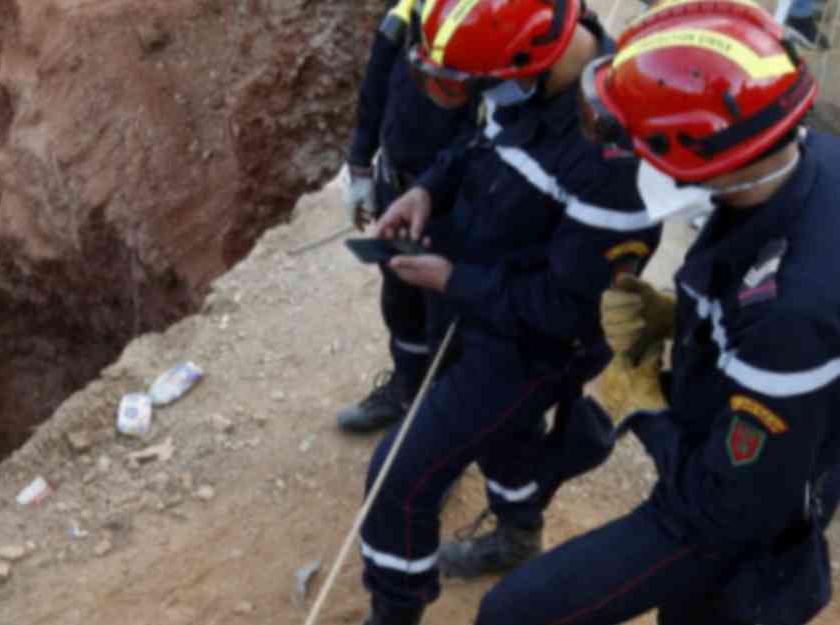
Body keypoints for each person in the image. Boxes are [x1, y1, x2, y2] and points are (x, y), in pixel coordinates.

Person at [473, 3, 840, 625]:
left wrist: (644, 404)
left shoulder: (791, 315)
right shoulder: (809, 160)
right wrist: (685, 318)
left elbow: (728, 506)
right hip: (763, 434)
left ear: (708, 157)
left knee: (514, 614)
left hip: (737, 517)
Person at [355, 1, 662, 623]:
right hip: (481, 304)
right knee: (507, 439)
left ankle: (394, 613)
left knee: (399, 477)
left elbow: (566, 311)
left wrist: (453, 280)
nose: (475, 95)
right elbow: (477, 145)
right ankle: (518, 534)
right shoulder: (525, 80)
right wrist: (427, 190)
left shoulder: (612, 158)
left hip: (532, 345)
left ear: (525, 62)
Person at [337, 0, 478, 433]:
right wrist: (360, 163)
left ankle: (439, 429)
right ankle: (406, 387)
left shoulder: (496, 23)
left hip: (454, 202)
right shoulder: (413, 10)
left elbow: (488, 131)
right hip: (396, 186)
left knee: (448, 322)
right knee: (400, 299)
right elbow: (378, 78)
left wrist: (433, 189)